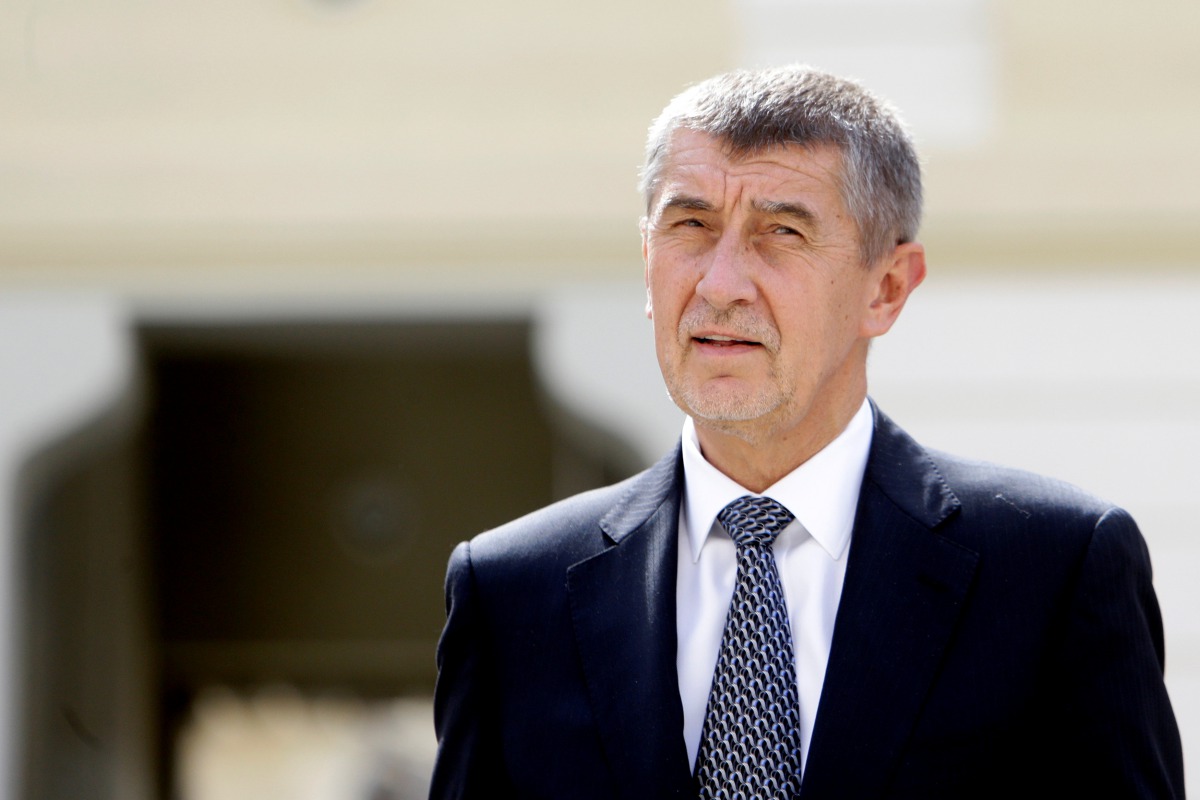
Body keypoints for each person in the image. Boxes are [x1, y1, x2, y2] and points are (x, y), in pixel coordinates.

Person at [428, 65, 1185, 799]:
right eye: (691, 225)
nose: (720, 283)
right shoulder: (511, 594)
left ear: (886, 288)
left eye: (781, 233)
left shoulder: (1052, 570)